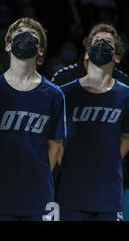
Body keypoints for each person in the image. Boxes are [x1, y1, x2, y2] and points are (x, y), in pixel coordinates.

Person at [0, 18, 65, 221]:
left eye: (32, 35)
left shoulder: (54, 95)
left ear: (41, 50)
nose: (26, 37)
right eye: (19, 34)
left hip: (39, 199)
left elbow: (55, 145)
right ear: (7, 45)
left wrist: (36, 177)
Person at [57, 23, 129, 221]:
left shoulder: (126, 95)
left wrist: (106, 162)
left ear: (117, 57)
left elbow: (126, 137)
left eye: (108, 43)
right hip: (70, 194)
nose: (101, 45)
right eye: (97, 42)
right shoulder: (65, 94)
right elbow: (56, 142)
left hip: (109, 195)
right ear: (87, 53)